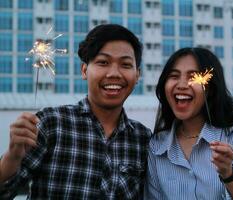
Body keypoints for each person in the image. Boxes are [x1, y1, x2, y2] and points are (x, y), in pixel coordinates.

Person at [0, 24, 151, 199]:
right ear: (85, 70)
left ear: (137, 75)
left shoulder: (143, 140)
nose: (114, 73)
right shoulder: (51, 124)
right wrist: (12, 156)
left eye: (125, 64)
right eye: (103, 62)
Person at [144, 47, 233, 199]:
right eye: (174, 76)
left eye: (193, 77)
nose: (182, 84)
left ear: (211, 88)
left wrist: (229, 175)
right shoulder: (156, 146)